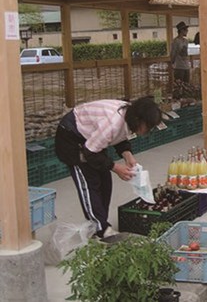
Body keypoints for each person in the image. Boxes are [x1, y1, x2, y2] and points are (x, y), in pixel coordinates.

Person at [54, 97, 162, 238]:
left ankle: (99, 226)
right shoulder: (112, 123)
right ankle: (101, 229)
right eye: (148, 126)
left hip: (91, 139)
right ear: (138, 120)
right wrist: (115, 167)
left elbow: (119, 137)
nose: (149, 130)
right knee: (89, 183)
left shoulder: (127, 116)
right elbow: (90, 152)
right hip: (72, 137)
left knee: (105, 181)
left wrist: (127, 155)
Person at [171, 21, 190, 95]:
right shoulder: (176, 41)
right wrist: (172, 63)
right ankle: (178, 99)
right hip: (179, 66)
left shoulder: (186, 41)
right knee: (178, 85)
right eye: (185, 30)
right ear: (181, 30)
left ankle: (186, 98)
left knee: (186, 85)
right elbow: (173, 53)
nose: (187, 31)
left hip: (186, 65)